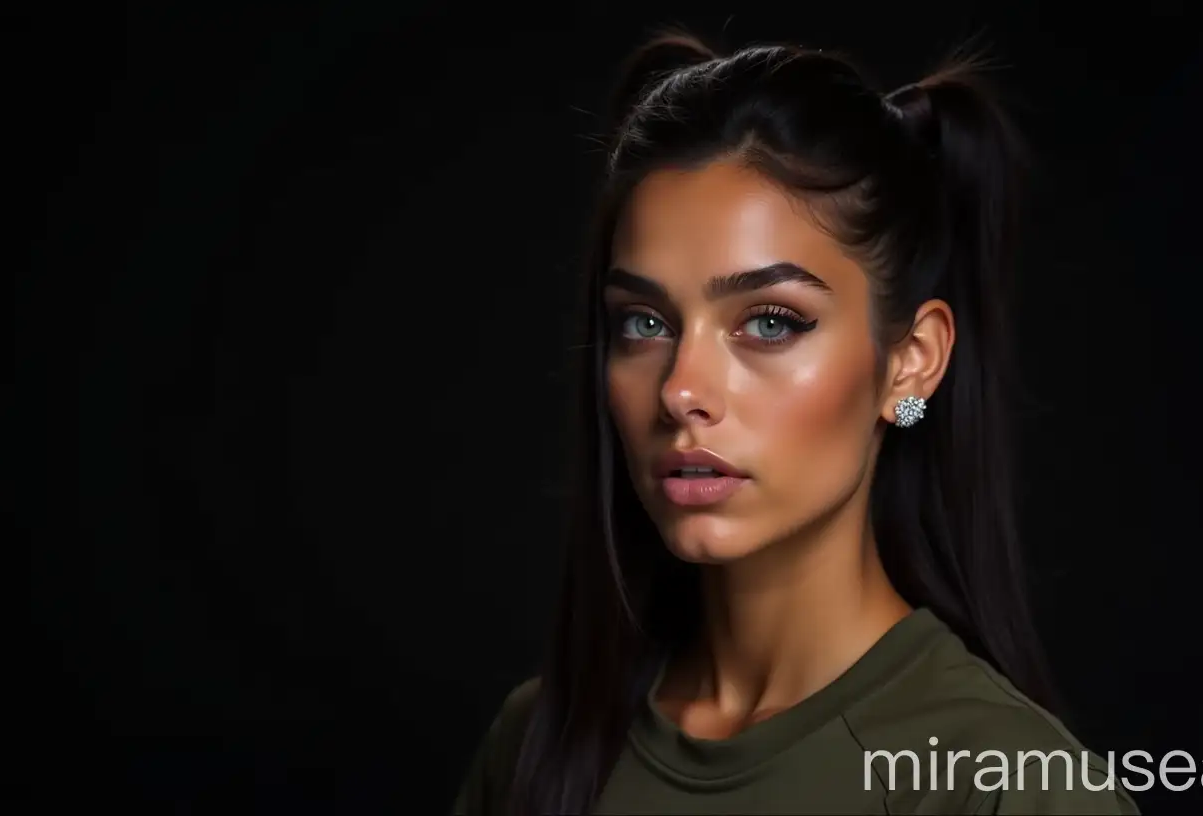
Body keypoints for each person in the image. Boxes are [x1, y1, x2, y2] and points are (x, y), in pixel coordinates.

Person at [455, 28, 1139, 815]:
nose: (682, 390)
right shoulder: (538, 742)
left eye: (771, 322)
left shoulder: (1006, 788)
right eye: (644, 323)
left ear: (911, 361)